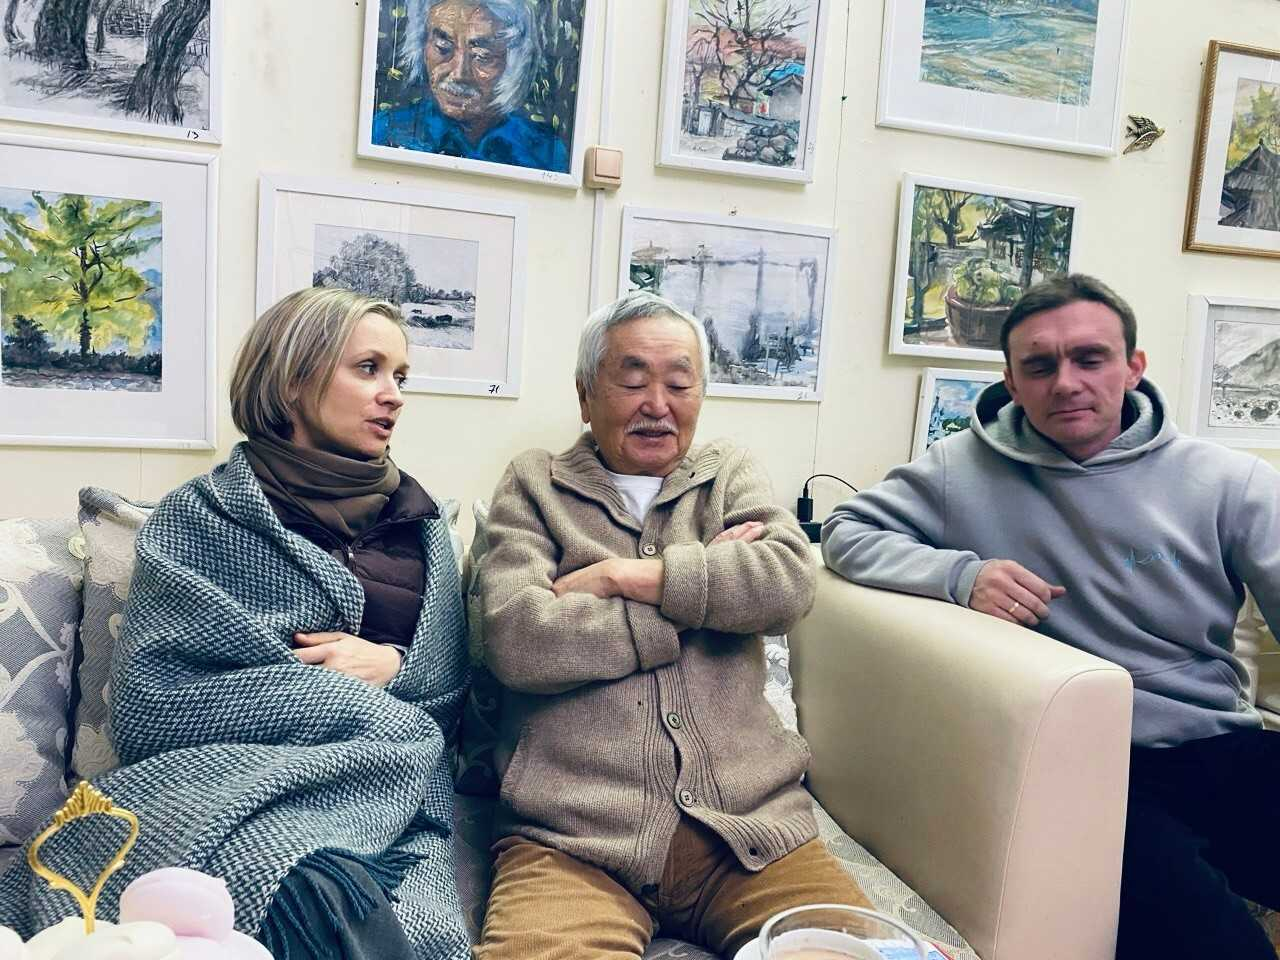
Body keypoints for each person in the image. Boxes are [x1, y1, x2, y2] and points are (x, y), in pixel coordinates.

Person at [0, 288, 471, 959]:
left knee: (360, 897)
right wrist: (344, 695)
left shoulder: (424, 530)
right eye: (368, 369)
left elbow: (449, 696)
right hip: (223, 786)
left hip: (388, 797)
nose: (393, 395)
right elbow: (154, 704)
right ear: (293, 378)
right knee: (310, 885)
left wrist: (392, 667)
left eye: (400, 376)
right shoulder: (199, 517)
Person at [822, 274, 1280, 960]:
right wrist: (961, 575)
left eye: (1090, 358)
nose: (1066, 383)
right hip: (1075, 773)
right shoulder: (957, 470)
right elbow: (845, 532)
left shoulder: (1230, 481)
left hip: (1215, 742)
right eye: (1040, 366)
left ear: (1134, 366)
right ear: (1011, 381)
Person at [474, 291, 872, 960]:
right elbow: (519, 639)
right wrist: (704, 590)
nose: (657, 404)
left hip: (751, 834)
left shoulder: (726, 474)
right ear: (585, 396)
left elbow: (785, 583)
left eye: (679, 384)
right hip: (571, 842)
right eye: (632, 381)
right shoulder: (535, 484)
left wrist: (620, 578)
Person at [372, 0, 569, 173]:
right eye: (443, 48)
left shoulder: (545, 152)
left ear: (514, 62)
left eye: (482, 56)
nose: (459, 74)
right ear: (423, 45)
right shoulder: (385, 131)